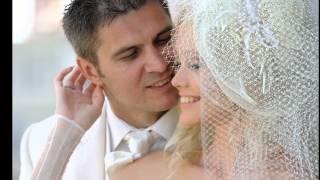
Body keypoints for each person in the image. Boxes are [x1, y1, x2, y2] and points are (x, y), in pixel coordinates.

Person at [111, 0, 319, 179]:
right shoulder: (144, 174)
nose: (176, 81)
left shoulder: (295, 175)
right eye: (177, 64)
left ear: (247, 74)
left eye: (195, 65)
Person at [19, 0, 180, 180]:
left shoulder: (215, 121)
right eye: (131, 54)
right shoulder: (39, 141)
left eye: (164, 39)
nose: (159, 64)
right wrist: (63, 139)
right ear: (90, 71)